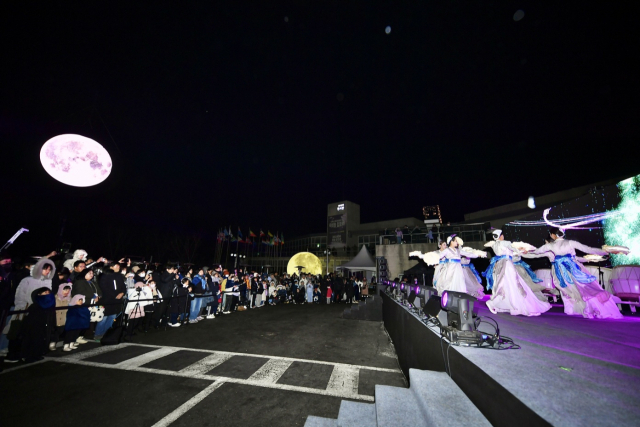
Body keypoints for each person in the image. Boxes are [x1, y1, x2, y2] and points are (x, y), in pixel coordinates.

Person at [528, 227, 623, 319]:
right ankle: (586, 308)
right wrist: (604, 252)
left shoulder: (550, 246)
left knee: (576, 290)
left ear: (553, 235)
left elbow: (536, 252)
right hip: (575, 268)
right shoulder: (570, 243)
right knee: (584, 288)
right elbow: (588, 249)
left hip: (564, 270)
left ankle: (588, 308)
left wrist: (520, 251)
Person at [483, 230, 551, 317]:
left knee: (506, 286)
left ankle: (498, 303)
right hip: (507, 264)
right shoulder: (505, 243)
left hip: (501, 264)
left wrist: (520, 251)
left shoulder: (494, 244)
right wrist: (522, 250)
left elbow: (510, 251)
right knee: (513, 284)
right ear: (501, 236)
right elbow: (513, 249)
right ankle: (495, 303)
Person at [19, 287, 56, 361]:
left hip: (45, 324)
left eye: (48, 292)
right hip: (35, 326)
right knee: (33, 339)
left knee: (42, 339)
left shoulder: (51, 305)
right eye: (44, 292)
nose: (47, 294)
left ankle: (38, 354)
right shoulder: (35, 305)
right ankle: (29, 356)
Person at [96, 262, 126, 339]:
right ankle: (98, 334)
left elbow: (123, 286)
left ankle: (107, 334)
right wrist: (115, 295)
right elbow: (104, 288)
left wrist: (122, 293)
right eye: (117, 266)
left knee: (112, 317)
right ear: (111, 267)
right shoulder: (105, 276)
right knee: (103, 318)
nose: (118, 267)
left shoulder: (119, 276)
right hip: (107, 300)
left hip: (117, 301)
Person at [50, 284, 72, 351]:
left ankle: (54, 342)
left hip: (63, 319)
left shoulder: (69, 299)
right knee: (53, 331)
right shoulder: (54, 298)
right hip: (54, 318)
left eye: (68, 290)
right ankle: (52, 343)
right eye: (65, 290)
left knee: (60, 330)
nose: (67, 292)